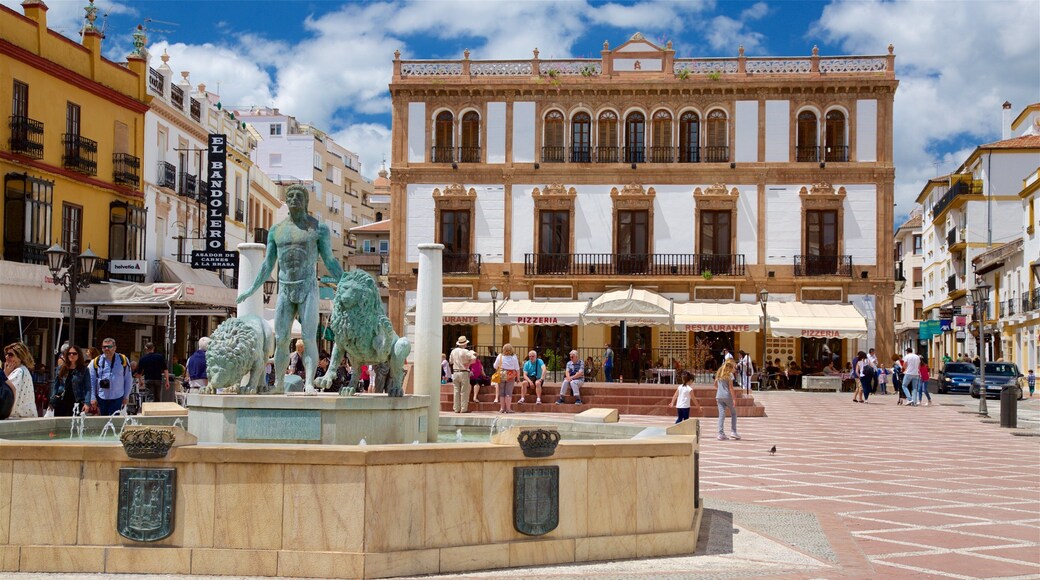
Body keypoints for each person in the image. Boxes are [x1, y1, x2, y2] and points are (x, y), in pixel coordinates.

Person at [238, 183, 344, 394]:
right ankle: (278, 383)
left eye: (298, 195)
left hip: (308, 287)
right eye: (290, 195)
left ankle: (308, 383)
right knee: (281, 338)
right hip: (285, 288)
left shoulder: (318, 228)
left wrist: (345, 281)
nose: (294, 198)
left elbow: (329, 261)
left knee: (309, 337)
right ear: (286, 201)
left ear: (306, 202)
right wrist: (252, 289)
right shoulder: (276, 230)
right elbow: (268, 264)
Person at [89, 338, 132, 416]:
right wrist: (92, 397)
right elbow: (92, 381)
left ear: (115, 347)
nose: (106, 349)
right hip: (101, 397)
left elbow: (128, 379)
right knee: (103, 422)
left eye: (109, 346)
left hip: (117, 397)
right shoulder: (96, 361)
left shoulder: (123, 360)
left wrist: (126, 396)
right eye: (104, 347)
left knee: (114, 422)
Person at [50, 345, 90, 417]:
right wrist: (52, 400)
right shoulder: (60, 368)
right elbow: (56, 385)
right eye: (69, 353)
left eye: (74, 353)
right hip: (61, 401)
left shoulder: (84, 370)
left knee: (75, 425)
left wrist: (87, 403)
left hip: (77, 401)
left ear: (79, 355)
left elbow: (88, 388)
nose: (71, 355)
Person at [4, 342, 38, 419]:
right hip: (24, 418)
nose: (6, 357)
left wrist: (5, 375)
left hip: (17, 419)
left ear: (20, 357)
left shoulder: (18, 372)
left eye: (11, 355)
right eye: (6, 354)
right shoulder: (23, 370)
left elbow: (7, 396)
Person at [449, 336, 476, 413]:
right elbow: (474, 359)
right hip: (464, 372)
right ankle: (463, 408)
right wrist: (468, 364)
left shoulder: (453, 351)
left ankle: (456, 408)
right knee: (464, 391)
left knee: (456, 391)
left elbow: (450, 361)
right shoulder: (466, 351)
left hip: (455, 372)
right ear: (465, 344)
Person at [493, 343, 521, 413]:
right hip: (510, 374)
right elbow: (517, 368)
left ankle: (502, 408)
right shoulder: (514, 357)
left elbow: (495, 366)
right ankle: (508, 409)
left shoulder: (500, 356)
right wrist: (518, 378)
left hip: (502, 373)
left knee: (501, 392)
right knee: (508, 392)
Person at [715, 359, 739, 440]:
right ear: (731, 367)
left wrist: (721, 389)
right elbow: (731, 388)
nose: (735, 369)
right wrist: (734, 399)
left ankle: (721, 433)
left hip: (719, 396)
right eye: (734, 368)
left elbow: (715, 384)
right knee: (734, 413)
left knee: (721, 415)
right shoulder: (730, 375)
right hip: (727, 396)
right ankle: (733, 431)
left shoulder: (719, 373)